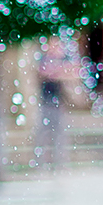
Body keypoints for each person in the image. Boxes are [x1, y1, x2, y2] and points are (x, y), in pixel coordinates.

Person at [35, 36, 82, 172]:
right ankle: (41, 164)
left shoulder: (64, 58)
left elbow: (73, 72)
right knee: (42, 134)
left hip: (60, 102)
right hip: (45, 101)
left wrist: (55, 72)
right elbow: (41, 73)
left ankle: (59, 163)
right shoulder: (44, 58)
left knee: (59, 134)